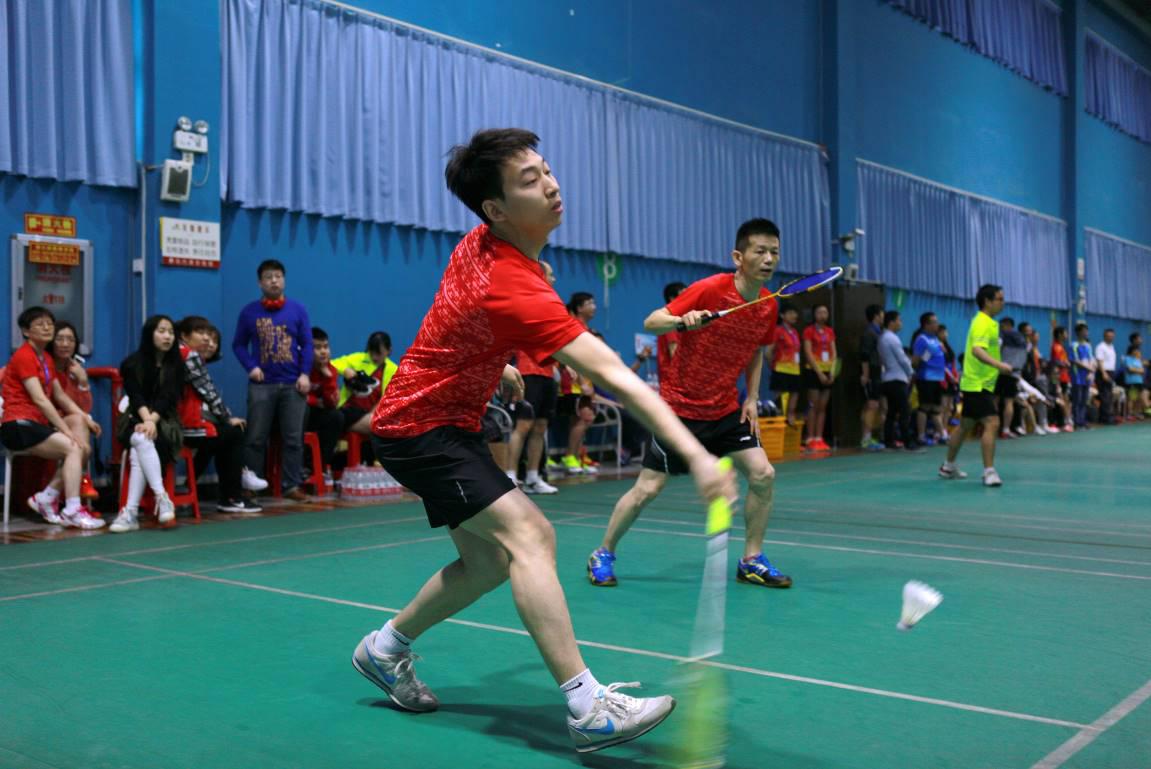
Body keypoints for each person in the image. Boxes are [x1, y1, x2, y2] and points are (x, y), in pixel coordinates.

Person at [356, 129, 734, 753]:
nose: (552, 186)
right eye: (530, 181)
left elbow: (454, 310)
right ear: (496, 208)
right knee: (532, 536)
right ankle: (587, 706)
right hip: (421, 430)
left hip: (440, 419)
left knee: (488, 563)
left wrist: (490, 364)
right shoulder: (513, 281)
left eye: (547, 170)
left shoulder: (482, 243)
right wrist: (695, 454)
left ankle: (384, 649)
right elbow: (615, 376)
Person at [587, 216, 788, 590]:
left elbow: (757, 351)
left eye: (774, 252)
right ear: (738, 257)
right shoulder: (710, 290)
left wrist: (752, 397)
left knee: (763, 475)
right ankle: (603, 552)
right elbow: (652, 321)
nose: (768, 259)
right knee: (647, 489)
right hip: (680, 411)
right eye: (760, 251)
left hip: (726, 409)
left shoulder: (766, 305)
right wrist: (683, 320)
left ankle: (751, 559)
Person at [1, 307, 103, 528]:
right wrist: (65, 432)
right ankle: (72, 509)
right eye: (40, 324)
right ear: (26, 331)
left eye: (49, 324)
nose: (47, 328)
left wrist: (84, 417)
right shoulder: (24, 356)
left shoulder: (45, 357)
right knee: (74, 447)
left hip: (37, 423)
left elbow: (60, 396)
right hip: (17, 424)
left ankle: (46, 497)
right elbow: (40, 399)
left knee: (82, 444)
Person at [232, 259, 313, 501]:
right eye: (268, 277)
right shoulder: (249, 312)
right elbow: (238, 345)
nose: (274, 281)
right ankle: (251, 486)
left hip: (293, 383)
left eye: (278, 276)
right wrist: (251, 367)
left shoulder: (298, 310)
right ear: (260, 283)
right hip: (262, 385)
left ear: (284, 280)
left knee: (293, 439)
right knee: (255, 438)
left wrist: (305, 373)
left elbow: (307, 344)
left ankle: (291, 485)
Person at [176, 316, 262, 514]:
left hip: (178, 422)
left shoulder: (179, 354)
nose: (207, 339)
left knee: (220, 435)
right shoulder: (188, 355)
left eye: (210, 335)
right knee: (233, 433)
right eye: (201, 333)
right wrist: (227, 417)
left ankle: (224, 485)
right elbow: (208, 392)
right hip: (180, 425)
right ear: (184, 336)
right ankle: (232, 495)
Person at [109, 316, 186, 532]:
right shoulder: (132, 364)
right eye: (161, 331)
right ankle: (162, 498)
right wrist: (146, 420)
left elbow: (167, 398)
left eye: (171, 332)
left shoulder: (177, 366)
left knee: (140, 443)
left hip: (165, 422)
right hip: (134, 418)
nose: (167, 336)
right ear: (149, 334)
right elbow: (135, 396)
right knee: (141, 437)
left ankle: (130, 513)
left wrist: (152, 421)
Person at [939, 285, 1013, 487]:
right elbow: (977, 350)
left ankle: (948, 466)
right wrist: (999, 365)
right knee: (992, 423)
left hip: (981, 383)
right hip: (977, 383)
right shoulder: (982, 322)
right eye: (999, 299)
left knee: (965, 426)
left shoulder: (989, 322)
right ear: (987, 301)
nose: (1003, 303)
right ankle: (989, 472)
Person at [506, 261, 560, 494]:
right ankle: (510, 476)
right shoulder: (525, 303)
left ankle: (533, 477)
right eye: (550, 274)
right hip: (528, 373)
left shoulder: (552, 305)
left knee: (540, 427)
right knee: (523, 425)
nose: (554, 279)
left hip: (548, 375)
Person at [46, 321, 99, 500]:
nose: (65, 344)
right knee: (84, 448)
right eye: (60, 339)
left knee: (80, 421)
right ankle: (81, 479)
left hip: (67, 422)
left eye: (70, 340)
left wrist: (83, 382)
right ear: (51, 342)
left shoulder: (74, 369)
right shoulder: (43, 364)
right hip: (44, 419)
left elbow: (84, 408)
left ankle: (51, 496)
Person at [558, 292, 599, 474]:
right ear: (580, 308)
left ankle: (577, 457)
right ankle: (570, 457)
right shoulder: (574, 327)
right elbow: (575, 358)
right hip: (574, 384)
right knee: (583, 418)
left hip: (584, 382)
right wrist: (583, 382)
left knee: (582, 419)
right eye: (590, 303)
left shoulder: (585, 328)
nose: (594, 307)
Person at [333, 331, 398, 434]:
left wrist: (373, 415)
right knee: (380, 426)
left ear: (389, 350)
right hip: (347, 410)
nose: (374, 357)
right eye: (372, 352)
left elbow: (386, 399)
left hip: (370, 414)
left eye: (378, 353)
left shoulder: (393, 370)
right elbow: (331, 365)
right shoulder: (358, 359)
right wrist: (345, 370)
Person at [306, 327, 345, 470]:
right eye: (317, 348)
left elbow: (331, 403)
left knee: (336, 417)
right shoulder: (301, 368)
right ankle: (302, 465)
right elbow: (295, 394)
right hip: (300, 413)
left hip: (317, 413)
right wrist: (315, 401)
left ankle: (319, 467)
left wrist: (328, 378)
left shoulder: (331, 370)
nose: (323, 351)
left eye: (326, 347)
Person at [878, 311, 916, 450]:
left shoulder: (883, 338)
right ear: (891, 322)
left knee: (892, 412)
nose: (901, 323)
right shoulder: (892, 338)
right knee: (904, 411)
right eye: (899, 320)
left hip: (888, 378)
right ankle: (908, 442)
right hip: (897, 379)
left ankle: (889, 441)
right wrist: (911, 372)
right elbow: (902, 358)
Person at [801, 303, 836, 451]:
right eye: (820, 312)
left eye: (825, 312)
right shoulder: (808, 331)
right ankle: (810, 438)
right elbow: (808, 353)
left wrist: (832, 372)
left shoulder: (830, 331)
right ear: (814, 315)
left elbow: (834, 353)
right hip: (813, 372)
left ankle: (819, 437)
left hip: (828, 372)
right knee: (813, 406)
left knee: (823, 406)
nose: (823, 315)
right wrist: (819, 373)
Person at [912, 312, 947, 445]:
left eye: (937, 321)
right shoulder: (921, 339)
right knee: (924, 407)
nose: (937, 324)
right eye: (934, 322)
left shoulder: (936, 339)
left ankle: (942, 435)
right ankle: (921, 436)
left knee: (936, 408)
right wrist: (927, 354)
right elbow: (915, 361)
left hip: (938, 378)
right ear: (926, 324)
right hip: (926, 378)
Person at [767, 304, 803, 426]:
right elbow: (768, 352)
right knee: (780, 404)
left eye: (795, 313)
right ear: (782, 315)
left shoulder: (795, 332)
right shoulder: (778, 330)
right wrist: (774, 368)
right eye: (790, 313)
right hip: (781, 370)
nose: (794, 315)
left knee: (792, 405)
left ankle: (789, 427)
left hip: (795, 371)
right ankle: (779, 426)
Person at [858, 304, 886, 451]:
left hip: (878, 373)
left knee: (873, 405)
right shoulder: (869, 333)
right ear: (876, 316)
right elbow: (864, 355)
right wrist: (866, 374)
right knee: (871, 405)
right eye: (882, 314)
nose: (883, 317)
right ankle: (866, 439)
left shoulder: (878, 332)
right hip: (871, 374)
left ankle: (868, 436)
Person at [996, 318, 1028, 439]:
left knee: (995, 400)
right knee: (1009, 402)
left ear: (1007, 325)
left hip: (1001, 371)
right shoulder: (1022, 339)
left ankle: (992, 428)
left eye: (1001, 325)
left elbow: (997, 349)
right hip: (1014, 373)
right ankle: (1006, 429)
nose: (1000, 328)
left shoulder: (1003, 335)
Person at [656, 282, 686, 380]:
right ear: (672, 298)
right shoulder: (670, 319)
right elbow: (674, 352)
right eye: (684, 295)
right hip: (673, 379)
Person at [1050, 326, 1074, 431]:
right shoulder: (1056, 347)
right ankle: (1060, 423)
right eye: (1065, 333)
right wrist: (1066, 364)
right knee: (1060, 399)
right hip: (1057, 377)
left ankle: (1065, 421)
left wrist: (1066, 363)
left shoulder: (1061, 346)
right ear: (1060, 334)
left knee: (1065, 399)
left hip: (1064, 377)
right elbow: (1055, 362)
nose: (1066, 335)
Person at [1071, 323, 1094, 429]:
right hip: (1077, 377)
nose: (1086, 333)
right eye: (1084, 331)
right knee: (1077, 400)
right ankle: (1076, 422)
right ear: (1078, 332)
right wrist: (1089, 369)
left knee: (1084, 400)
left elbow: (1091, 359)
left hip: (1087, 377)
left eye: (1087, 331)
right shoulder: (1074, 345)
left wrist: (1090, 372)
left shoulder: (1088, 346)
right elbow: (1075, 360)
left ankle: (1082, 421)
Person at [1094, 328, 1118, 425]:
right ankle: (1107, 418)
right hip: (1103, 372)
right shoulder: (1101, 347)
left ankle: (1104, 417)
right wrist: (1103, 373)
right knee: (1105, 395)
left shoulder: (1111, 347)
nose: (1110, 338)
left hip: (1111, 372)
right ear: (1104, 336)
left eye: (1112, 336)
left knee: (1109, 395)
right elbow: (1099, 360)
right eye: (1108, 336)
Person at [939, 324, 959, 431]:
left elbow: (953, 364)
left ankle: (944, 429)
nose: (945, 334)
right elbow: (941, 365)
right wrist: (950, 376)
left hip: (952, 380)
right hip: (943, 380)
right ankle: (939, 430)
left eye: (946, 332)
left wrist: (956, 377)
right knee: (942, 407)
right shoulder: (937, 345)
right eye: (943, 332)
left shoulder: (948, 347)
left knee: (949, 407)